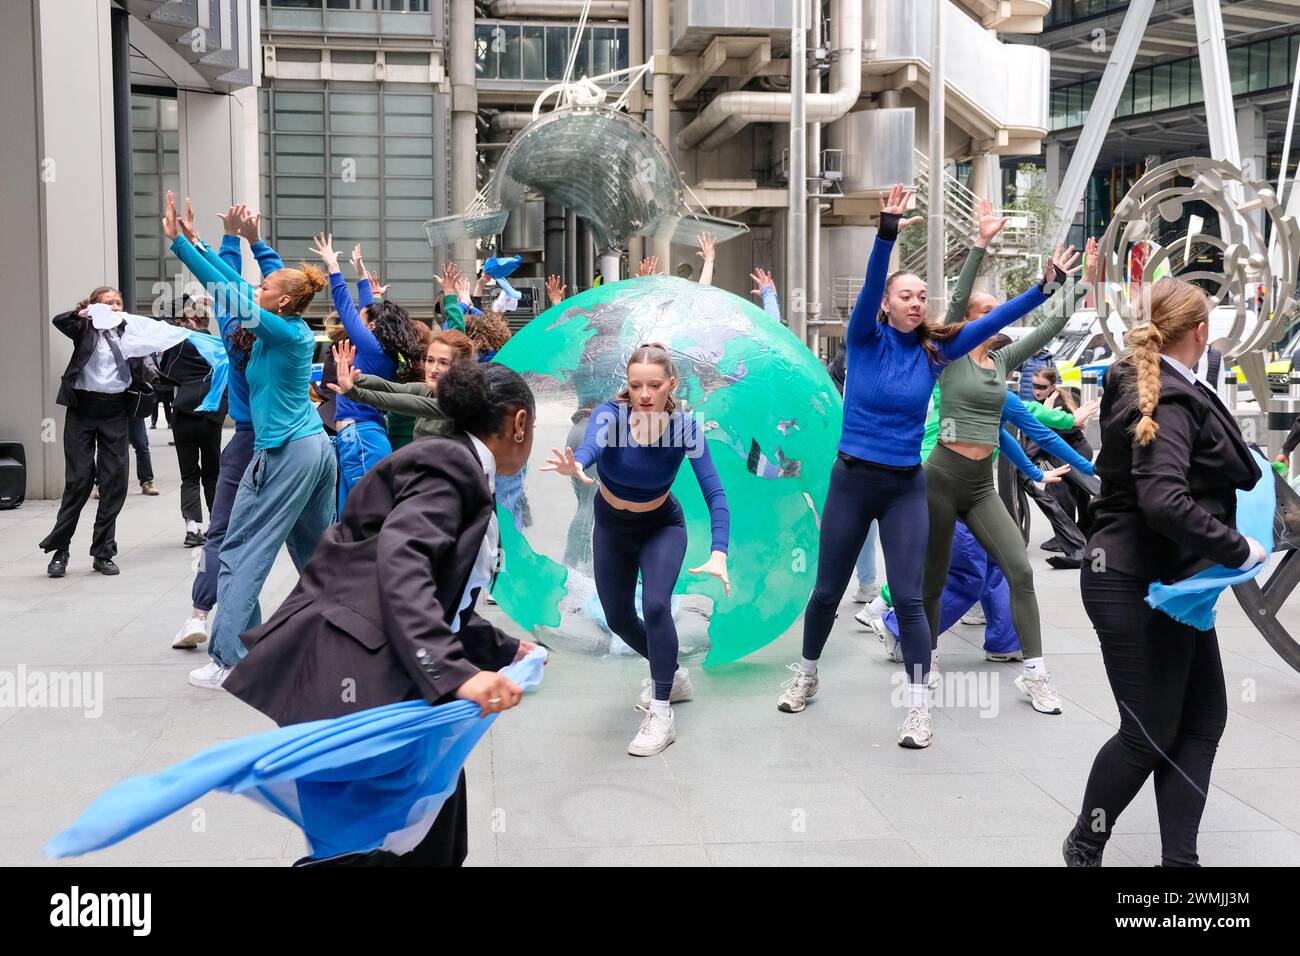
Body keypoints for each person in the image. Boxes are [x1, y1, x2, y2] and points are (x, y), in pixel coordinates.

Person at [778, 186, 1069, 750]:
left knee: (910, 598)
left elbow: (997, 320)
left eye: (921, 296)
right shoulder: (865, 337)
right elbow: (868, 287)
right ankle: (807, 671)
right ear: (887, 305)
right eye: (905, 295)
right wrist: (887, 230)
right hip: (852, 480)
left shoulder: (935, 353)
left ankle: (916, 707)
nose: (915, 302)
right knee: (827, 591)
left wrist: (1046, 286)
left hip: (904, 486)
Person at [223, 361, 541, 867]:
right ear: (518, 423)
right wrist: (455, 672)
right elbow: (402, 561)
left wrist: (502, 648)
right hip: (353, 672)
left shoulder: (457, 463)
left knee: (425, 832)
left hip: (379, 669)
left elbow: (437, 594)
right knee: (378, 843)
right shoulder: (450, 466)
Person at [1064, 276, 1267, 868]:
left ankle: (1180, 865)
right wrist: (1240, 548)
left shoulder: (1155, 382)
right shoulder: (1168, 398)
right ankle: (1085, 844)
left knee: (1201, 720)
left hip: (1170, 584)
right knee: (1148, 732)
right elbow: (1162, 500)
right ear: (1200, 331)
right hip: (1132, 581)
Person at [163, 192, 337, 691]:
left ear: (280, 301)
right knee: (316, 553)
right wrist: (206, 241)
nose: (256, 288)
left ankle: (231, 659)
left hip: (286, 452)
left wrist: (180, 244)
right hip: (310, 450)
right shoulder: (285, 327)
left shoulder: (281, 332)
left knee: (240, 548)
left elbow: (230, 289)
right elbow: (236, 284)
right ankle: (344, 636)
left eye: (266, 287)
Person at [919, 235, 1087, 723]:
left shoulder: (1002, 363)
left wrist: (1078, 281)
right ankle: (923, 661)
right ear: (971, 320)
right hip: (941, 477)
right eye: (989, 311)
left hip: (979, 483)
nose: (1001, 318)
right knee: (932, 579)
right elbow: (954, 300)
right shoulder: (947, 355)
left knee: (1021, 569)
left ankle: (1034, 672)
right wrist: (978, 246)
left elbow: (1053, 322)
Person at [544, 343, 732, 757]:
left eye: (653, 385)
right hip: (612, 526)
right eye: (635, 385)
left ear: (671, 384)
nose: (644, 394)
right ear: (627, 386)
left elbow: (715, 493)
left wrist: (719, 550)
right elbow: (592, 446)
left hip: (662, 525)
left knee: (658, 606)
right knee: (618, 617)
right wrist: (578, 463)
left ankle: (662, 712)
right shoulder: (611, 416)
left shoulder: (685, 428)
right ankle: (674, 673)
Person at [171, 204, 283, 650]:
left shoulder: (236, 328)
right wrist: (255, 240)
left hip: (248, 443)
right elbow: (283, 287)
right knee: (303, 539)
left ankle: (200, 612)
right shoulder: (288, 332)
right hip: (295, 446)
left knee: (222, 533)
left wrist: (229, 240)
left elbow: (223, 284)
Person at [41, 287, 162, 576]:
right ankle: (60, 550)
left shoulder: (129, 331)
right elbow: (60, 321)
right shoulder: (84, 328)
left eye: (118, 302)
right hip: (82, 409)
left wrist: (154, 375)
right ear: (94, 306)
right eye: (108, 303)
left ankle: (103, 552)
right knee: (79, 481)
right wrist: (83, 313)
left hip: (116, 411)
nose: (116, 307)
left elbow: (146, 361)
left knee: (115, 482)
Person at [310, 234, 423, 516]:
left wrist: (334, 269)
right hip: (362, 436)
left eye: (364, 320)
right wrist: (361, 275)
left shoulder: (372, 348)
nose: (358, 319)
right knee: (350, 521)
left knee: (369, 519)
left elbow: (349, 311)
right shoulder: (382, 351)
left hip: (360, 438)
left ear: (372, 328)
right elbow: (365, 309)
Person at [159, 293, 226, 548]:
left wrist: (189, 297)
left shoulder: (180, 342)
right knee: (212, 473)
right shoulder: (219, 346)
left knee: (189, 474)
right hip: (210, 417)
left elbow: (163, 317)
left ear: (189, 320)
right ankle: (216, 526)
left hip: (183, 413)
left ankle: (191, 527)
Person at [328, 330, 475, 440]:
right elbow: (388, 387)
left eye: (443, 363)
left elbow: (399, 402)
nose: (433, 369)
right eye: (430, 360)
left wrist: (354, 393)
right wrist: (352, 374)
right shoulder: (425, 389)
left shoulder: (459, 403)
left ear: (462, 368)